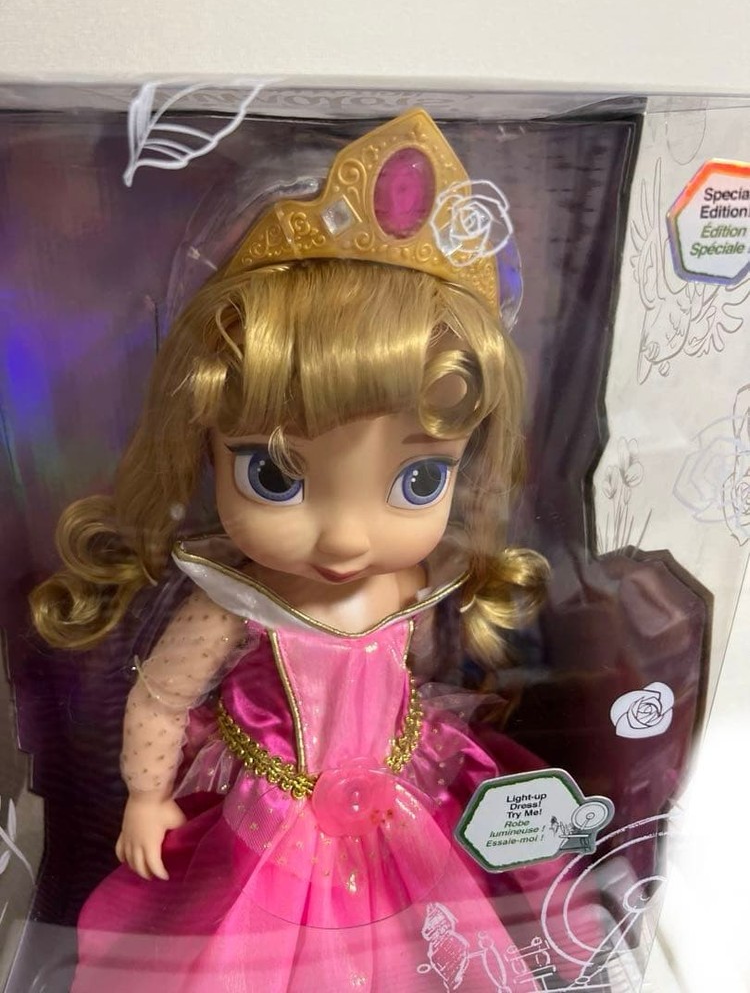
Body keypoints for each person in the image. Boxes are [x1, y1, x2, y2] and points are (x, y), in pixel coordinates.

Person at [31, 109, 549, 992]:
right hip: (270, 819)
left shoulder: (411, 580)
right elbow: (160, 699)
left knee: (422, 933)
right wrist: (148, 798)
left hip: (396, 800)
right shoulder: (234, 602)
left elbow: (416, 665)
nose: (346, 538)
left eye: (418, 479)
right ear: (205, 449)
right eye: (274, 474)